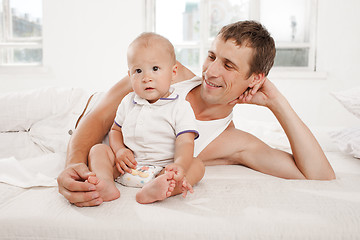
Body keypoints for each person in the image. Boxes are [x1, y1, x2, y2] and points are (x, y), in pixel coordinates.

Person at [58, 20, 336, 207]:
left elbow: (320, 175)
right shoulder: (167, 73)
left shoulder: (233, 142)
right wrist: (72, 163)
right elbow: (99, 117)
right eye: (212, 56)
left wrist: (277, 102)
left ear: (255, 79)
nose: (211, 72)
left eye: (229, 65)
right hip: (73, 110)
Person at [86, 32, 202, 204]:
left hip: (164, 170)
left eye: (155, 69)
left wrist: (180, 165)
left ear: (173, 72)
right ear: (129, 75)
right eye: (138, 71)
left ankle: (159, 188)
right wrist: (119, 151)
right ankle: (106, 183)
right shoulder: (128, 101)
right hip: (127, 167)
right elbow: (115, 130)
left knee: (197, 166)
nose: (146, 78)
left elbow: (185, 141)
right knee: (98, 150)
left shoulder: (180, 106)